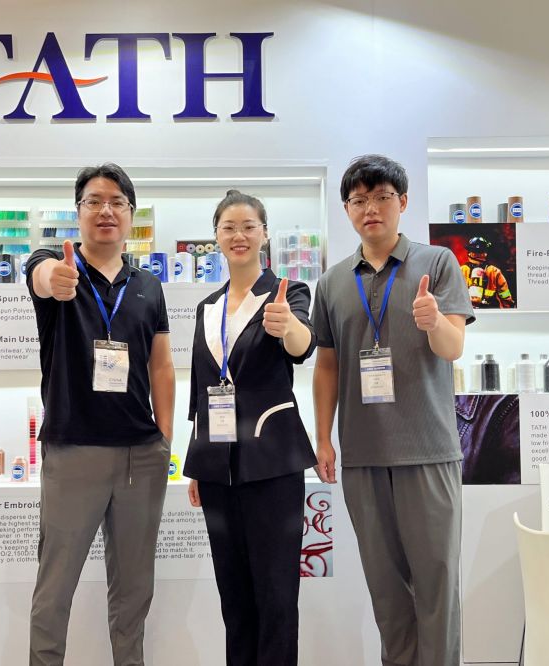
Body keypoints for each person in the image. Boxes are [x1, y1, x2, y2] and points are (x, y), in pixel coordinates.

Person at [310, 155, 474, 666]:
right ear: (346, 209)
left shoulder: (437, 263)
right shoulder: (332, 282)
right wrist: (323, 437)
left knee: (437, 585)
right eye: (359, 200)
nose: (371, 209)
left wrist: (434, 321)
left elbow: (453, 347)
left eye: (382, 197)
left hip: (428, 450)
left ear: (402, 202)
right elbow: (327, 366)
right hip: (363, 455)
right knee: (386, 591)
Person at [25, 163, 175, 666]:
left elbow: (161, 365)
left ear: (130, 214)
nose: (105, 210)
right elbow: (41, 276)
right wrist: (53, 279)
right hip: (74, 451)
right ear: (79, 212)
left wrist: (164, 440)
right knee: (55, 590)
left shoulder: (148, 285)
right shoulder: (58, 266)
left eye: (116, 202)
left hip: (141, 456)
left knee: (134, 591)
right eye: (94, 201)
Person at [184, 190, 316, 666]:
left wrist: (288, 327)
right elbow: (201, 388)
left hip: (272, 464)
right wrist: (196, 461)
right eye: (228, 227)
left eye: (248, 226)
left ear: (264, 233)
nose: (238, 235)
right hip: (216, 468)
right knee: (234, 597)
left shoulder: (288, 293)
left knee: (276, 595)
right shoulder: (207, 306)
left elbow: (303, 346)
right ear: (216, 237)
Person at [460, 236, 514, 308]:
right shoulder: (494, 271)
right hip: (489, 309)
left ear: (470, 253)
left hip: (467, 310)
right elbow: (505, 294)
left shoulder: (462, 270)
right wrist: (509, 307)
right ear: (485, 253)